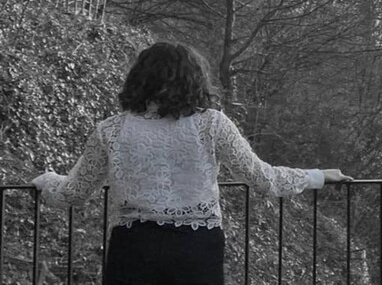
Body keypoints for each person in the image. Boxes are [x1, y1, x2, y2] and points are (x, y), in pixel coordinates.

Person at [32, 42, 352, 284]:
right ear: (194, 80)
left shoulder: (111, 130)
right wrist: (318, 176)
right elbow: (264, 178)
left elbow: (73, 193)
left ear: (138, 80)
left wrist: (47, 181)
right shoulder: (212, 124)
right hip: (196, 247)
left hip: (133, 247)